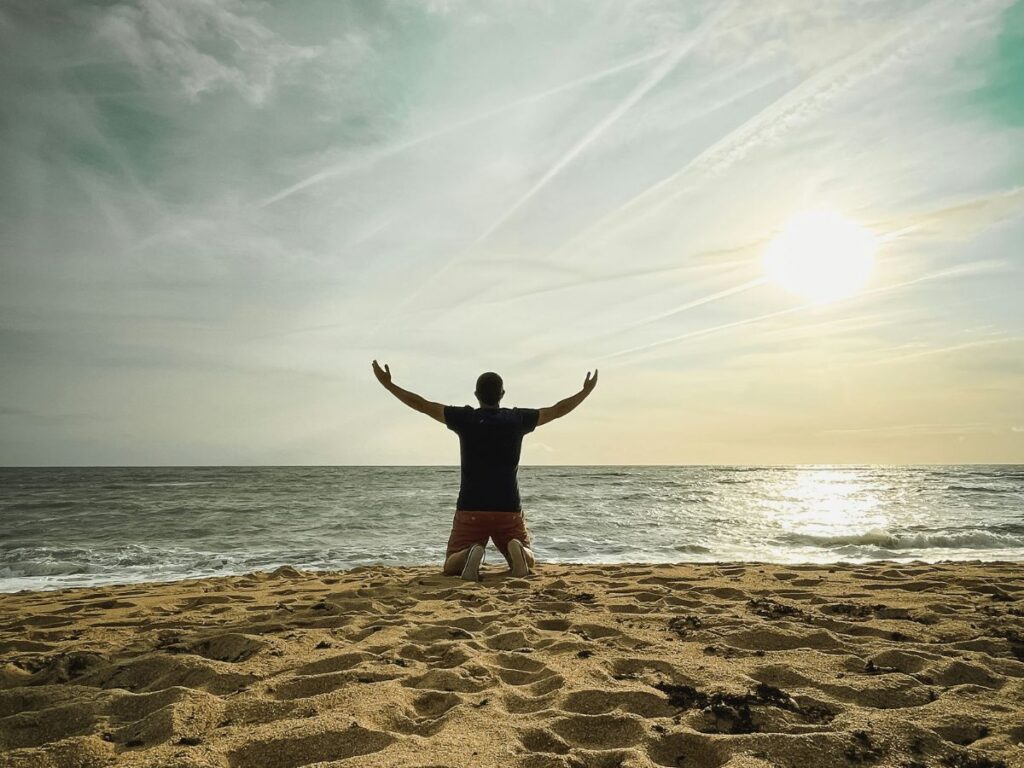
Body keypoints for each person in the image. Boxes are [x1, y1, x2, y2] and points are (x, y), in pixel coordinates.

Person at [371, 361, 598, 580]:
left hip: (471, 508)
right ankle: (517, 549)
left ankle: (470, 554)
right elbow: (557, 410)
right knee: (528, 562)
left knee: (451, 564)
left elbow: (423, 405)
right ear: (502, 394)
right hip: (508, 508)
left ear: (476, 394)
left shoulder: (465, 418)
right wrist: (585, 391)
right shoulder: (516, 419)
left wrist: (388, 385)